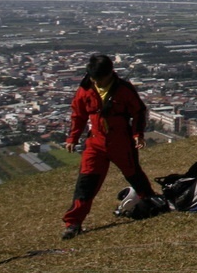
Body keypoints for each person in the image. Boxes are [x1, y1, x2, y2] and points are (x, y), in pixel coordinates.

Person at [61, 54, 156, 240]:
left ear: (110, 73)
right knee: (86, 183)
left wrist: (138, 135)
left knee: (134, 175)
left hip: (121, 140)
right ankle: (73, 223)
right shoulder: (85, 89)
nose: (97, 82)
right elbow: (78, 115)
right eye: (94, 78)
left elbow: (138, 112)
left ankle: (151, 201)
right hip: (95, 143)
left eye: (100, 79)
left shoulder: (124, 90)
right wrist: (72, 138)